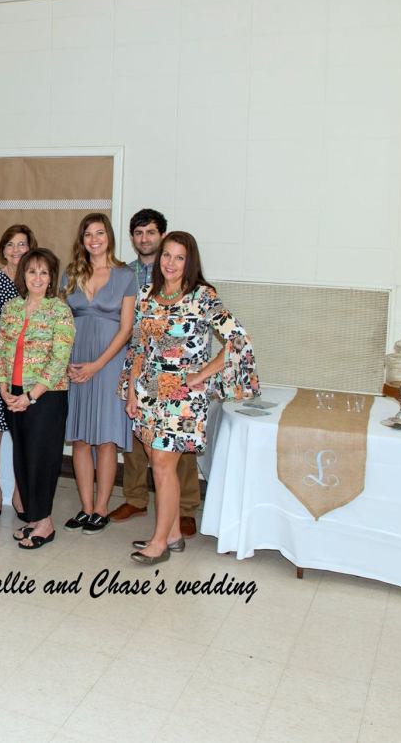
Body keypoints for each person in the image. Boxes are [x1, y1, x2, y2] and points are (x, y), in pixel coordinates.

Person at [123, 231, 259, 563]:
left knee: (162, 465)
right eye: (166, 255)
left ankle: (159, 543)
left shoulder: (202, 296)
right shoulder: (147, 294)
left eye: (179, 257)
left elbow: (238, 340)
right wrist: (131, 390)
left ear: (190, 262)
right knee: (157, 462)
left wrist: (200, 375)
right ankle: (172, 535)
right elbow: (139, 345)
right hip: (149, 390)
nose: (170, 263)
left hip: (183, 396)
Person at [111, 209, 201, 536]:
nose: (144, 238)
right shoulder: (124, 273)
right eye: (138, 233)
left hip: (175, 375)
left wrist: (196, 374)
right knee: (138, 437)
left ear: (161, 236)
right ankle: (136, 498)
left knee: (177, 445)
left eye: (150, 232)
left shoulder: (186, 279)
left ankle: (184, 508)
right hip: (139, 365)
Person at [60, 213, 136, 536]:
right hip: (76, 362)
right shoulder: (70, 273)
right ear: (82, 240)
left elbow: (127, 328)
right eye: (88, 234)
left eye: (100, 233)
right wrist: (66, 360)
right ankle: (86, 506)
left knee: (105, 438)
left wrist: (98, 364)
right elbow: (62, 321)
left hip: (109, 363)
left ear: (109, 237)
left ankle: (102, 508)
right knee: (79, 437)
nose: (94, 239)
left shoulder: (126, 275)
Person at [0, 249, 74, 549]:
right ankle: (32, 517)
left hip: (46, 396)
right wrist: (4, 387)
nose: (37, 278)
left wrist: (31, 395)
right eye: (31, 271)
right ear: (23, 275)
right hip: (14, 395)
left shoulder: (59, 310)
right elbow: (2, 349)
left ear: (51, 277)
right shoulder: (12, 308)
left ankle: (45, 523)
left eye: (43, 272)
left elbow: (59, 360)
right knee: (23, 458)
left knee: (43, 459)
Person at [0, 224, 37, 521]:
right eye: (10, 245)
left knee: (25, 436)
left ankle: (20, 492)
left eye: (22, 244)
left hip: (29, 372)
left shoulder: (36, 280)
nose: (16, 250)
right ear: (3, 250)